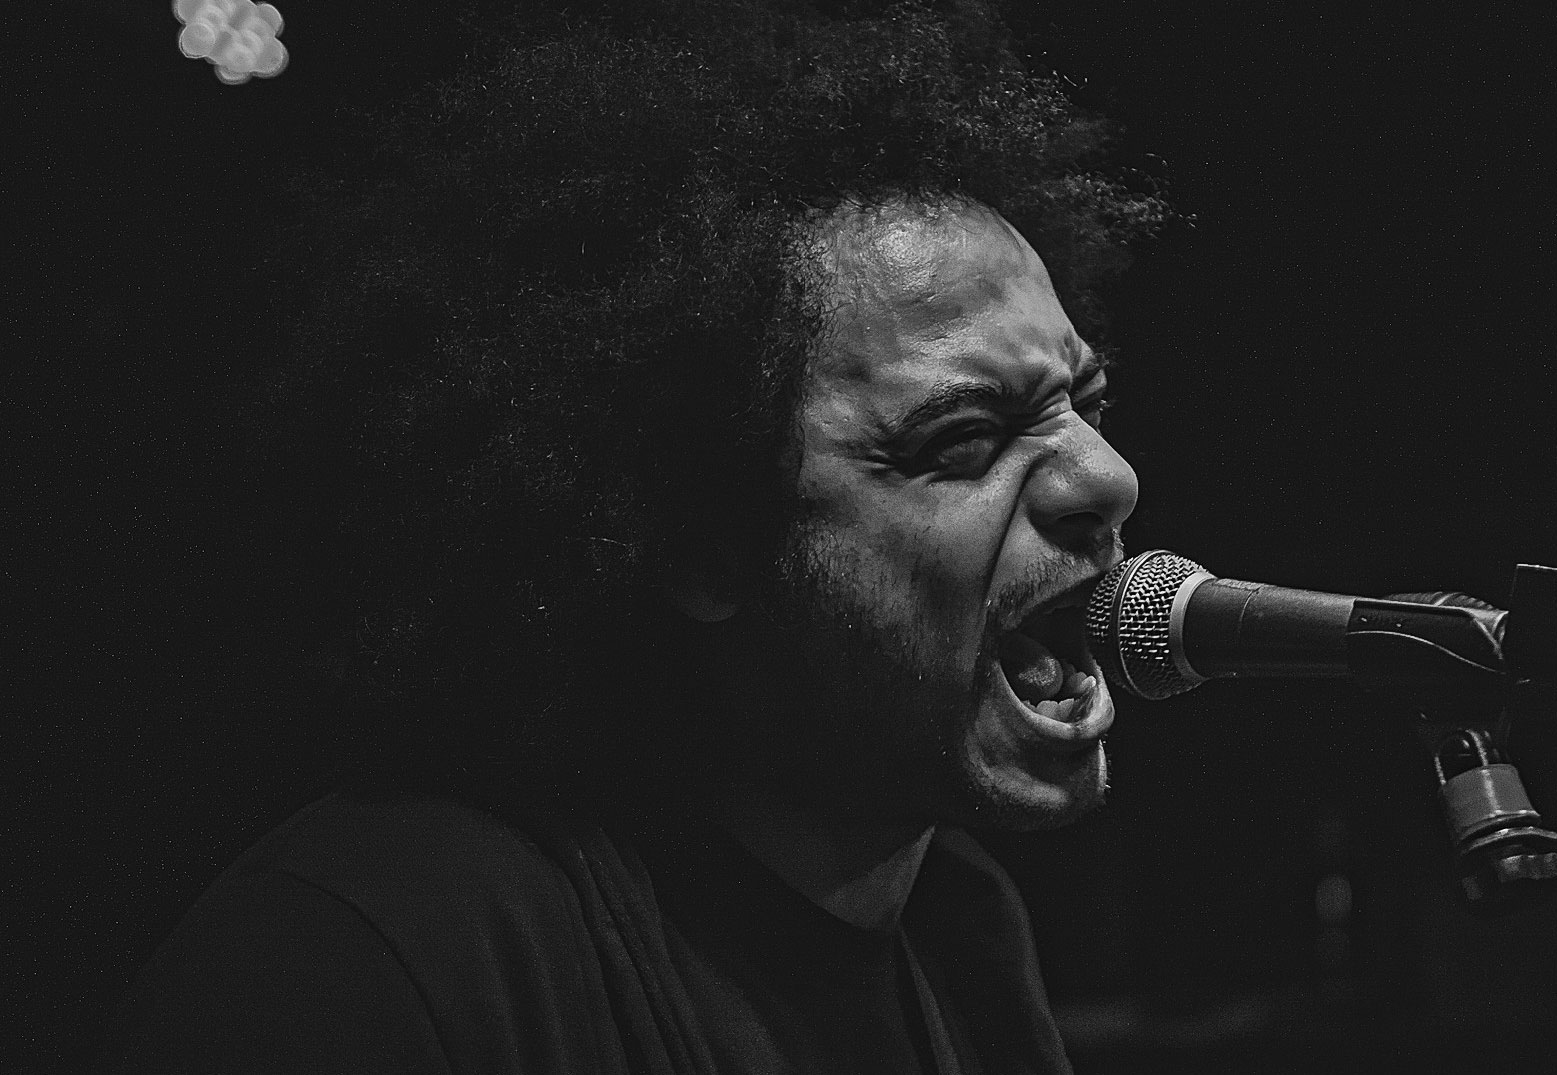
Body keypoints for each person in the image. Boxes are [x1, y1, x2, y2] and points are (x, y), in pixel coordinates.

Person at [96, 2, 1170, 1072]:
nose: (1104, 479)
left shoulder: (962, 925)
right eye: (965, 438)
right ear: (703, 538)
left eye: (1083, 402)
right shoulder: (355, 960)